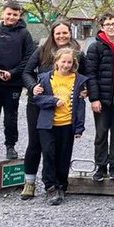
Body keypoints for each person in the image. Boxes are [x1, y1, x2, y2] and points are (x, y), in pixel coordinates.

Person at [21, 20, 83, 199]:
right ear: (52, 35)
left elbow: (83, 76)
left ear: (70, 33)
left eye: (65, 33)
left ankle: (58, 184)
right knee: (35, 144)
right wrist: (33, 86)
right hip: (39, 104)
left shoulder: (77, 53)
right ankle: (30, 182)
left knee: (60, 147)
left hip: (63, 107)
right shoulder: (42, 50)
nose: (62, 36)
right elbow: (26, 72)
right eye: (58, 33)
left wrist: (84, 90)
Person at [0, 0, 37, 161]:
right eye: (9, 14)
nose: (11, 17)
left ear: (19, 16)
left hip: (13, 83)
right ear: (3, 14)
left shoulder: (24, 34)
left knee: (11, 115)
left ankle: (10, 145)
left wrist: (12, 73)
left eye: (15, 14)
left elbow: (29, 58)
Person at [32, 47, 88, 206]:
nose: (66, 65)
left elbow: (80, 107)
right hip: (47, 124)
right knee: (49, 153)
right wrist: (53, 101)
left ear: (74, 63)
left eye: (69, 62)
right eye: (63, 61)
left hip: (67, 124)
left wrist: (79, 128)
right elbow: (36, 99)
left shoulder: (78, 80)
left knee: (64, 155)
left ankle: (62, 185)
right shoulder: (44, 78)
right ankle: (50, 186)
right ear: (56, 62)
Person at [82, 12, 114, 182]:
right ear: (102, 27)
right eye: (108, 24)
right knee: (101, 133)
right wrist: (94, 98)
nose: (111, 27)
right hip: (102, 97)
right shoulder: (96, 47)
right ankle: (101, 165)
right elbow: (90, 74)